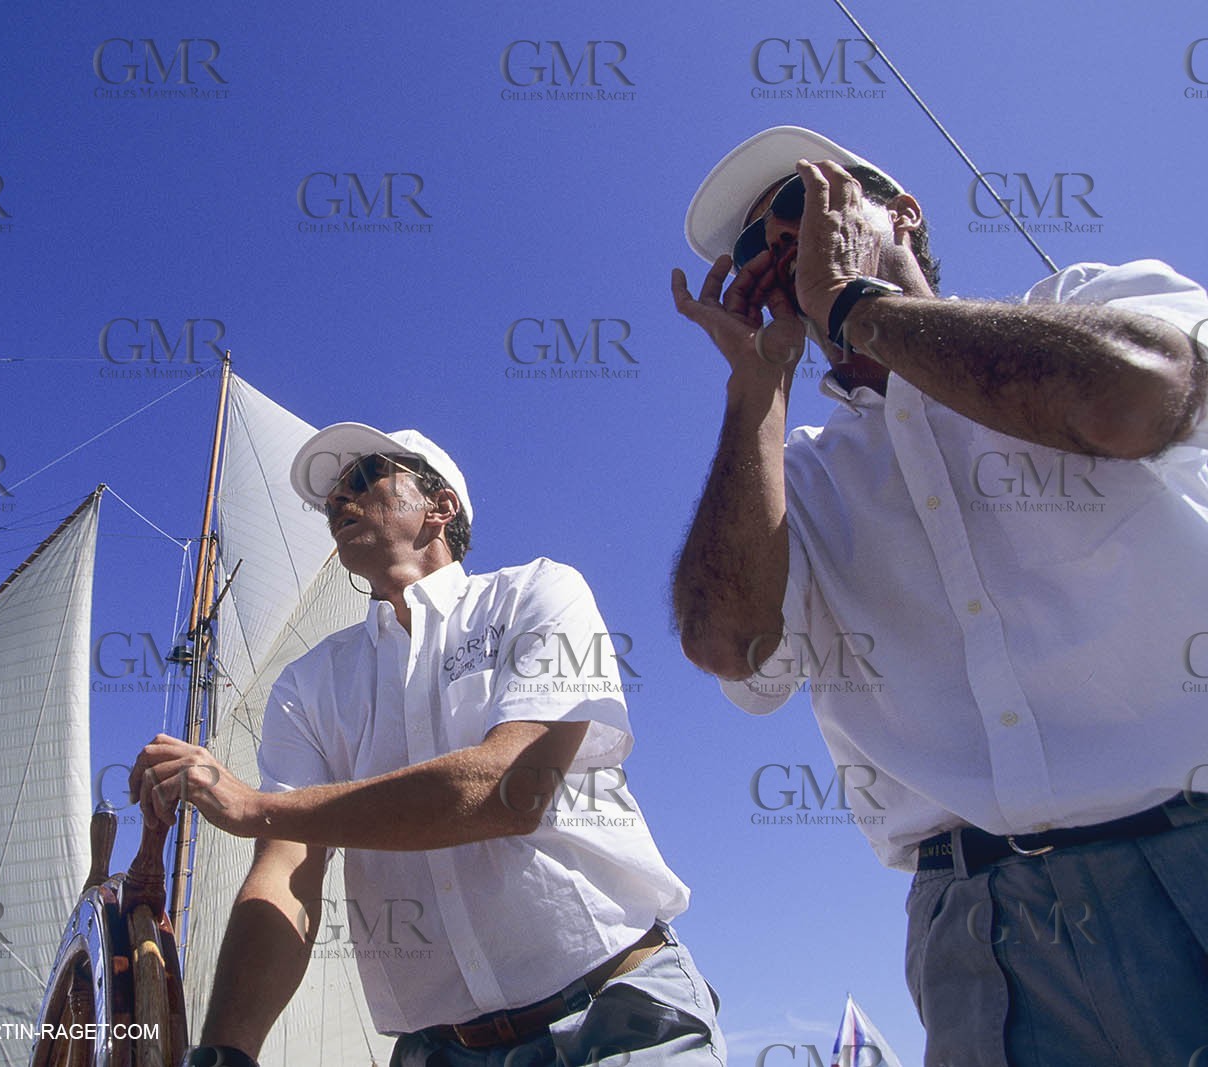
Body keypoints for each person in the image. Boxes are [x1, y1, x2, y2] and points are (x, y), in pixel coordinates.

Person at [670, 125, 1208, 1065]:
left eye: (801, 204)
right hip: (981, 931)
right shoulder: (799, 479)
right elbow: (730, 647)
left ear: (903, 213)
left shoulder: (1079, 303)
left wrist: (856, 307)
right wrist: (756, 389)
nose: (780, 249)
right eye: (755, 250)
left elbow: (1136, 396)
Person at [133, 425, 724, 1067]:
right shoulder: (309, 684)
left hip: (617, 1014)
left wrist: (257, 810)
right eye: (331, 497)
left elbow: (510, 788)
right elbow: (287, 873)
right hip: (436, 1051)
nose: (339, 501)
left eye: (363, 479)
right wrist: (226, 1053)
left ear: (439, 507)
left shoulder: (537, 593)